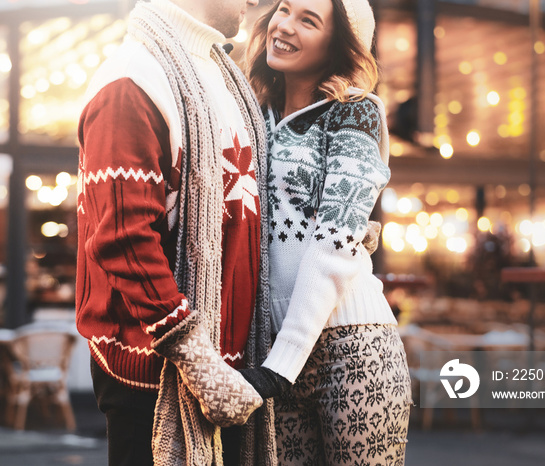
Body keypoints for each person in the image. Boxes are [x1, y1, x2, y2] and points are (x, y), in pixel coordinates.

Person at [75, 0, 277, 464]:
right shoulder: (131, 80)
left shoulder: (223, 77)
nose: (254, 1)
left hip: (232, 372)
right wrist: (199, 363)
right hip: (157, 373)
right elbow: (124, 239)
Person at [240, 0, 412, 464]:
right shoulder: (253, 114)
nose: (285, 25)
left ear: (336, 46)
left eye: (308, 20)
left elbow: (336, 238)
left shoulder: (356, 114)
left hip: (353, 345)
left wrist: (283, 363)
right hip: (275, 354)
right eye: (284, 9)